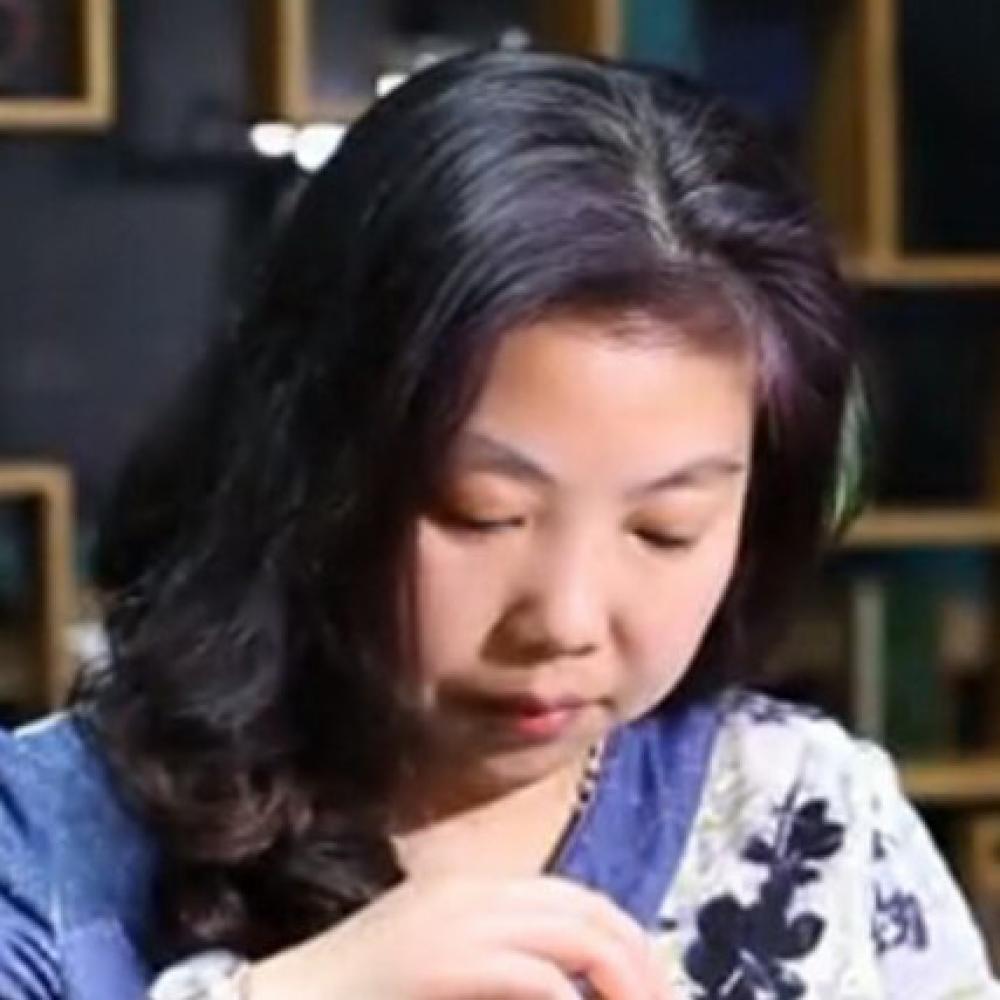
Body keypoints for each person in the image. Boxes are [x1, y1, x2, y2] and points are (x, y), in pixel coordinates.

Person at [0, 48, 996, 1000]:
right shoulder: (39, 847)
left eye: (667, 528)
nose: (564, 621)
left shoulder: (802, 816)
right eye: (483, 515)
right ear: (308, 458)